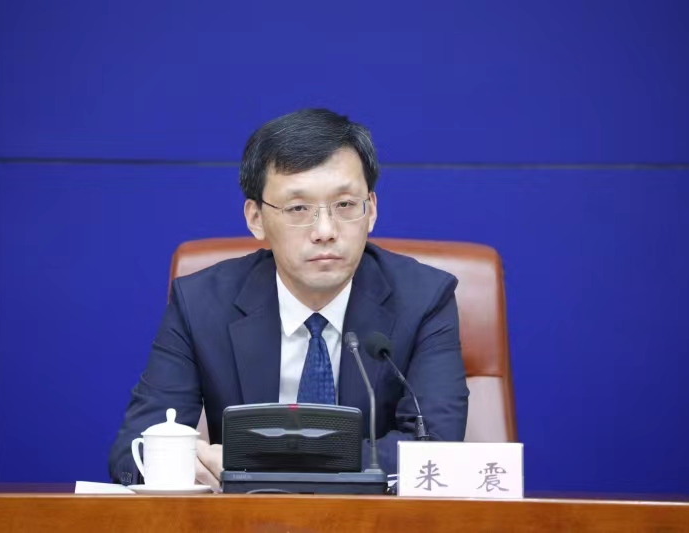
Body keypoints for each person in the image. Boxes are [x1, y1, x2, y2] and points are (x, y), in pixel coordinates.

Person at [109, 108, 469, 487]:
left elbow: (435, 448)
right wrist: (176, 465)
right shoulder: (200, 303)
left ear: (372, 210)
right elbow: (133, 451)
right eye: (298, 208)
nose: (325, 230)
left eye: (345, 205)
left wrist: (263, 462)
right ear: (256, 218)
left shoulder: (424, 299)